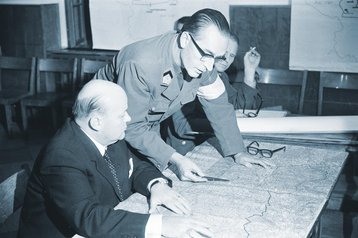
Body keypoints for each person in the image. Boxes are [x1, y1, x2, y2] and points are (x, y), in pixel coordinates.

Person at [94, 8, 273, 183]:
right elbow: (132, 126)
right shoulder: (141, 63)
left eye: (216, 57)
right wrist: (176, 159)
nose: (209, 66)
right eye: (207, 55)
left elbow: (219, 106)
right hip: (104, 126)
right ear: (185, 39)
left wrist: (238, 151)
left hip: (146, 129)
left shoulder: (203, 61)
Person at [18, 80, 213, 238]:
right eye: (121, 115)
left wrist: (156, 185)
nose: (128, 118)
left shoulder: (107, 135)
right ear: (96, 122)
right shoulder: (62, 156)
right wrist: (160, 224)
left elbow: (135, 165)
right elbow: (89, 218)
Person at [164, 32, 262, 155]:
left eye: (232, 55)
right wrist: (224, 120)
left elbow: (240, 107)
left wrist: (250, 70)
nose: (226, 59)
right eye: (224, 52)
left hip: (209, 142)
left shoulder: (221, 76)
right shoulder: (191, 74)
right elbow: (181, 126)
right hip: (183, 150)